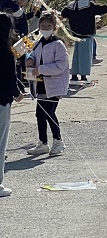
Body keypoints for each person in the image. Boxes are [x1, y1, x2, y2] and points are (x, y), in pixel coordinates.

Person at [26, 13, 69, 157]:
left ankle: (58, 141)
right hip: (41, 84)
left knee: (49, 112)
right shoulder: (39, 42)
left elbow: (61, 65)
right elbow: (32, 54)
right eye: (43, 26)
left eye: (48, 26)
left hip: (55, 84)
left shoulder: (58, 44)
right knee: (40, 114)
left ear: (55, 27)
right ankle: (42, 142)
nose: (45, 28)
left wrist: (41, 69)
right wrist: (30, 60)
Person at [61, 0, 107, 84]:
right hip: (86, 34)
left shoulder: (72, 5)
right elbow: (102, 9)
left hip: (75, 34)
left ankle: (74, 75)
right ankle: (83, 76)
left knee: (76, 55)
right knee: (86, 56)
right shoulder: (89, 5)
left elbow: (64, 13)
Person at [0, 14, 25, 196]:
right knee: (0, 143)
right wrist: (17, 93)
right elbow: (10, 78)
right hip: (1, 101)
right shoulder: (6, 52)